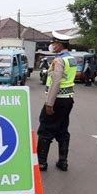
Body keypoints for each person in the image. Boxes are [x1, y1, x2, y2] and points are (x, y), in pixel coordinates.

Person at [37, 34, 77, 172]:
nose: (52, 45)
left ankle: (41, 163)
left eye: (53, 43)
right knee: (62, 129)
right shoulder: (71, 59)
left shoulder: (58, 61)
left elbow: (56, 82)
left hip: (56, 100)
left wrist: (49, 104)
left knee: (45, 130)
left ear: (59, 45)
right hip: (67, 100)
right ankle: (63, 161)